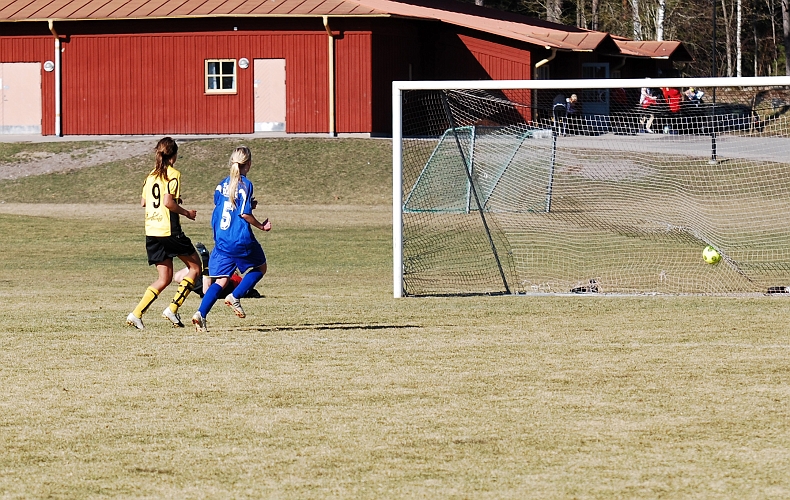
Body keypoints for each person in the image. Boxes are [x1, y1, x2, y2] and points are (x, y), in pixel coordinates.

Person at [192, 146, 271, 332]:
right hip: (239, 238)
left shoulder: (221, 185)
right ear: (248, 164)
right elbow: (244, 214)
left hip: (221, 238)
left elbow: (223, 205)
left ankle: (200, 314)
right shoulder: (246, 184)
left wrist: (248, 205)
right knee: (261, 267)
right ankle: (235, 296)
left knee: (221, 280)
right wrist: (261, 225)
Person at [127, 137, 202, 329]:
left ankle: (136, 314)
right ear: (174, 156)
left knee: (165, 278)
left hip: (151, 230)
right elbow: (168, 202)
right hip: (168, 230)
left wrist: (175, 201)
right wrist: (186, 213)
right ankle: (172, 309)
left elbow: (144, 202)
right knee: (195, 267)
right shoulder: (173, 174)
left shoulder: (150, 175)